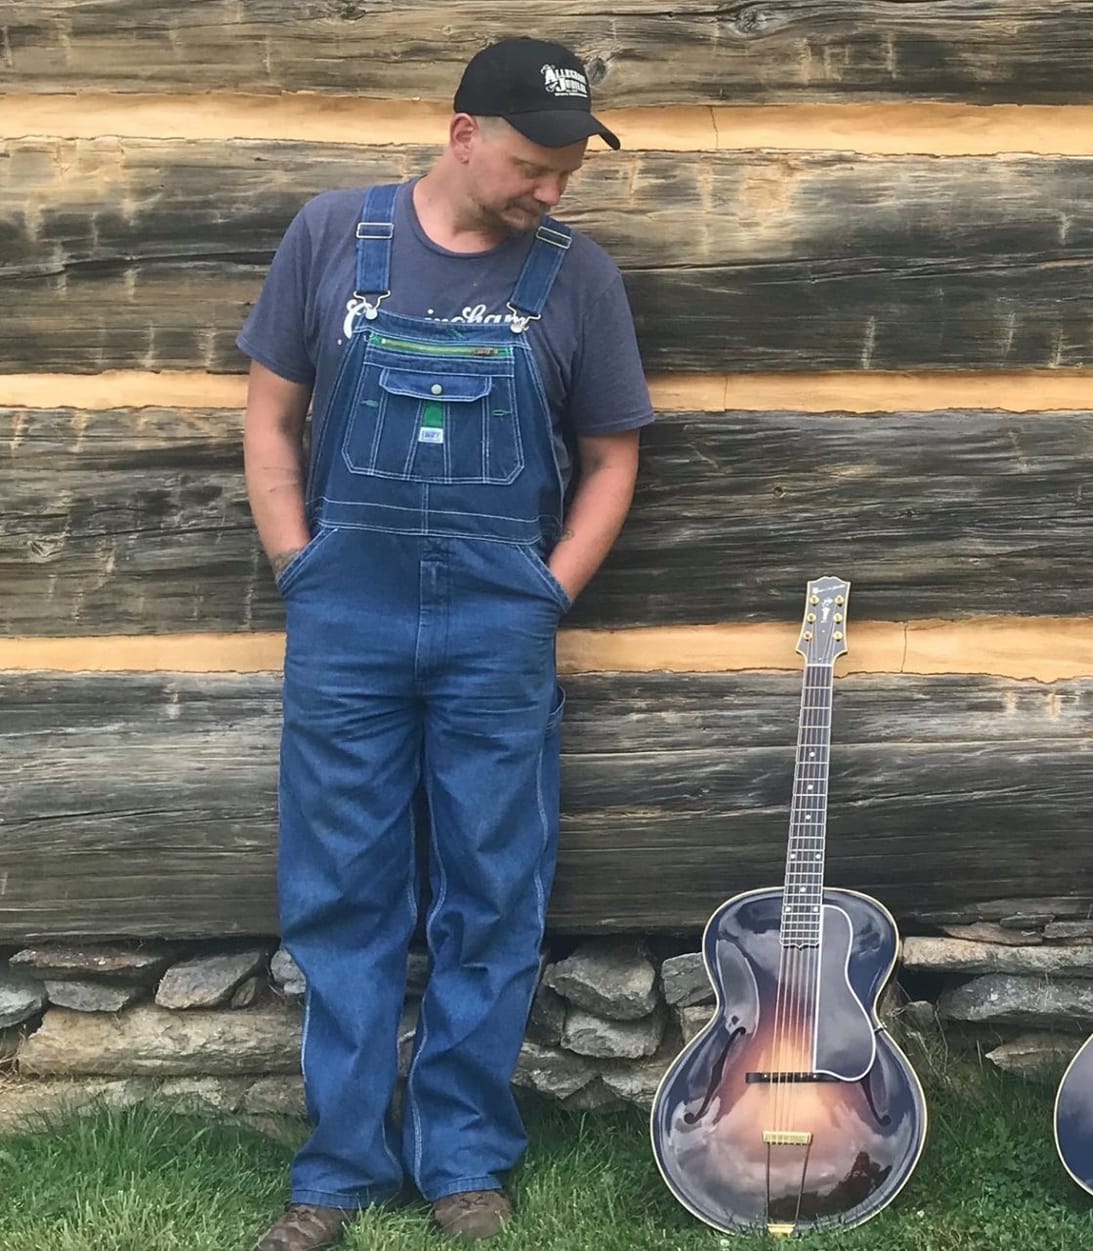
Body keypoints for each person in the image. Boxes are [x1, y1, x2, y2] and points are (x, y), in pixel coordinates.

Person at [235, 36, 653, 1250]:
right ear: (463, 134)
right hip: (345, 616)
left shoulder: (578, 279)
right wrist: (299, 566)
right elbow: (270, 414)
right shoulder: (333, 236)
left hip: (496, 628)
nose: (551, 190)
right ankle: (334, 1171)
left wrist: (544, 592)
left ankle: (463, 1157)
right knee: (341, 896)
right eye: (532, 165)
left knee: (492, 891)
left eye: (568, 171)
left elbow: (612, 458)